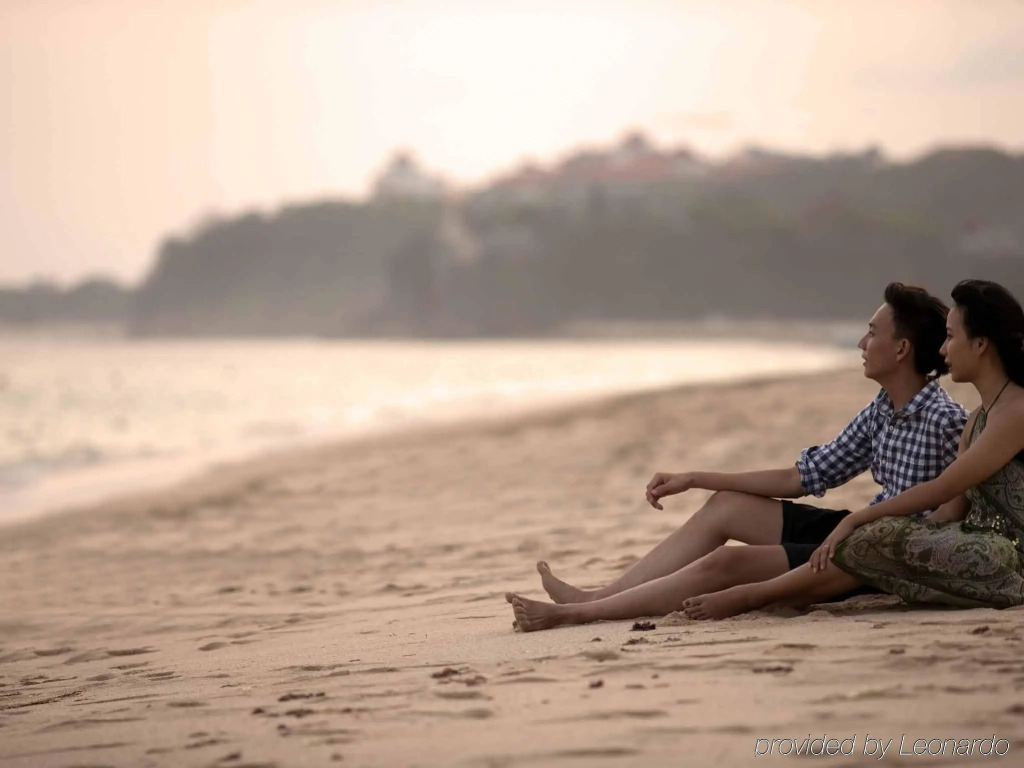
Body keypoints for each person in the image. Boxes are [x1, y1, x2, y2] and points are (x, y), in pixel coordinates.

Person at [507, 283, 968, 631]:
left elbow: (953, 516)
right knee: (727, 505)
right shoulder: (883, 409)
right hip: (859, 527)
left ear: (902, 349)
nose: (862, 344)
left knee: (725, 565)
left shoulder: (945, 420)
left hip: (879, 553)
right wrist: (695, 478)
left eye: (871, 333)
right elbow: (801, 477)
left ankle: (578, 615)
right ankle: (595, 597)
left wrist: (875, 543)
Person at [681, 279, 1024, 620]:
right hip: (973, 542)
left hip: (1010, 558)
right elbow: (949, 511)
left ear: (980, 344)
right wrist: (907, 536)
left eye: (951, 337)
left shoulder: (1014, 412)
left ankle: (751, 596)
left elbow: (943, 487)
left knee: (879, 532)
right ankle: (765, 592)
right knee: (883, 534)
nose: (943, 350)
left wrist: (862, 521)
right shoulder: (976, 420)